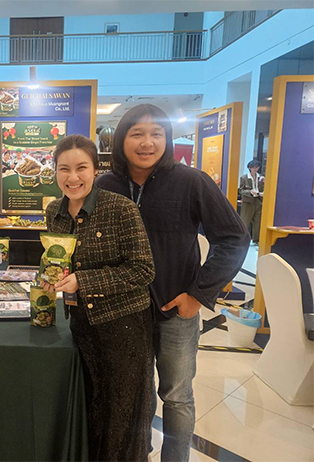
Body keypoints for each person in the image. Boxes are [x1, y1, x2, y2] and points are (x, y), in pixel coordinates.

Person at [96, 104, 249, 462]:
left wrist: (198, 294)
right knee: (134, 395)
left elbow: (234, 238)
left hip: (175, 312)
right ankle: (138, 455)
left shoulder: (191, 182)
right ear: (121, 140)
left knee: (177, 397)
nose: (147, 142)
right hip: (122, 313)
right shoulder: (105, 185)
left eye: (156, 134)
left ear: (167, 139)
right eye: (137, 133)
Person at [41, 134, 156, 461]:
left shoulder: (120, 208)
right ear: (55, 171)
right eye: (64, 169)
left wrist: (83, 281)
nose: (72, 177)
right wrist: (51, 276)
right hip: (81, 324)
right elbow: (59, 259)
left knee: (122, 412)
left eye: (81, 168)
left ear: (95, 169)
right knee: (91, 405)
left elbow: (143, 270)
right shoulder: (55, 211)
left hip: (123, 326)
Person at [239, 160, 264, 244]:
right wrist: (250, 192)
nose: (256, 169)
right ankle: (243, 240)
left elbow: (263, 188)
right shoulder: (244, 178)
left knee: (258, 221)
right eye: (254, 167)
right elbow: (241, 190)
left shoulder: (261, 178)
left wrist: (261, 193)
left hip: (258, 201)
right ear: (250, 168)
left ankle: (256, 240)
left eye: (257, 167)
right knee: (245, 221)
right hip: (248, 202)